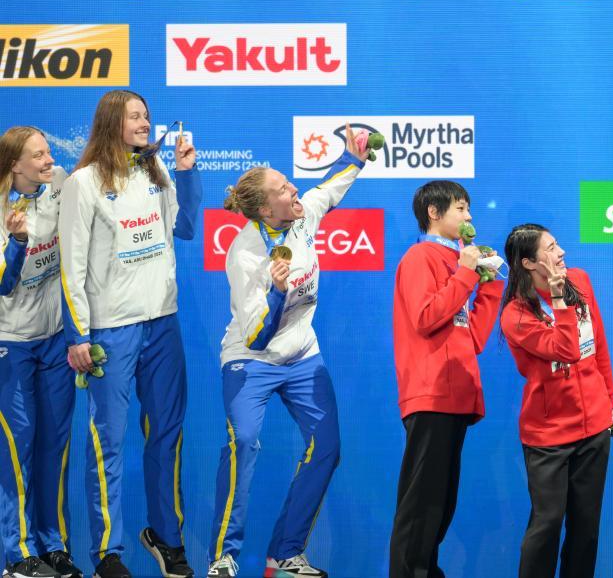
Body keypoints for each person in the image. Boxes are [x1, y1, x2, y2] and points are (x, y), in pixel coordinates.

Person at [205, 125, 370, 578]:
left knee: (327, 447)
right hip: (250, 360)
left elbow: (327, 190)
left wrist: (354, 159)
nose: (294, 189)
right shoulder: (244, 254)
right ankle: (223, 557)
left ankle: (285, 554)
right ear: (264, 209)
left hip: (301, 356)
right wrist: (277, 294)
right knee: (243, 441)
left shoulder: (301, 215)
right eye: (283, 188)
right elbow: (256, 337)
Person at [59, 91, 200, 578]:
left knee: (166, 434)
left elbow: (186, 227)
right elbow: (72, 264)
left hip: (163, 323)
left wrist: (186, 172)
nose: (144, 122)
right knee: (109, 442)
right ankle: (107, 553)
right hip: (110, 331)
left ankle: (167, 537)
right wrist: (77, 335)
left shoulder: (154, 170)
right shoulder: (83, 182)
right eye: (134, 116)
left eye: (146, 115)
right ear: (110, 123)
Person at [388, 181, 503, 578]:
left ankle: (426, 570)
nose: (469, 216)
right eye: (460, 208)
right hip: (431, 391)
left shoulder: (457, 262)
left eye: (469, 208)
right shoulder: (420, 256)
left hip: (456, 395)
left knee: (440, 503)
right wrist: (466, 273)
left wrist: (490, 286)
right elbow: (425, 317)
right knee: (421, 503)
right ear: (434, 213)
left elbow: (472, 338)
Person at [500, 224, 613, 578]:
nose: (562, 252)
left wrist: (609, 400)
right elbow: (566, 350)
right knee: (547, 525)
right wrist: (557, 300)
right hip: (548, 436)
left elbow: (597, 346)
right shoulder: (515, 315)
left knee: (586, 528)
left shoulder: (579, 280)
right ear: (528, 263)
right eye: (551, 248)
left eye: (558, 244)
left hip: (594, 427)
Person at [0, 127, 83, 578]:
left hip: (54, 339)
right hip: (10, 342)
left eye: (49, 152)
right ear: (15, 164)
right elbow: (4, 284)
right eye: (38, 155)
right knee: (19, 448)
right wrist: (16, 242)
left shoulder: (59, 183)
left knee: (54, 445)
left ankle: (54, 545)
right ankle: (18, 554)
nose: (49, 160)